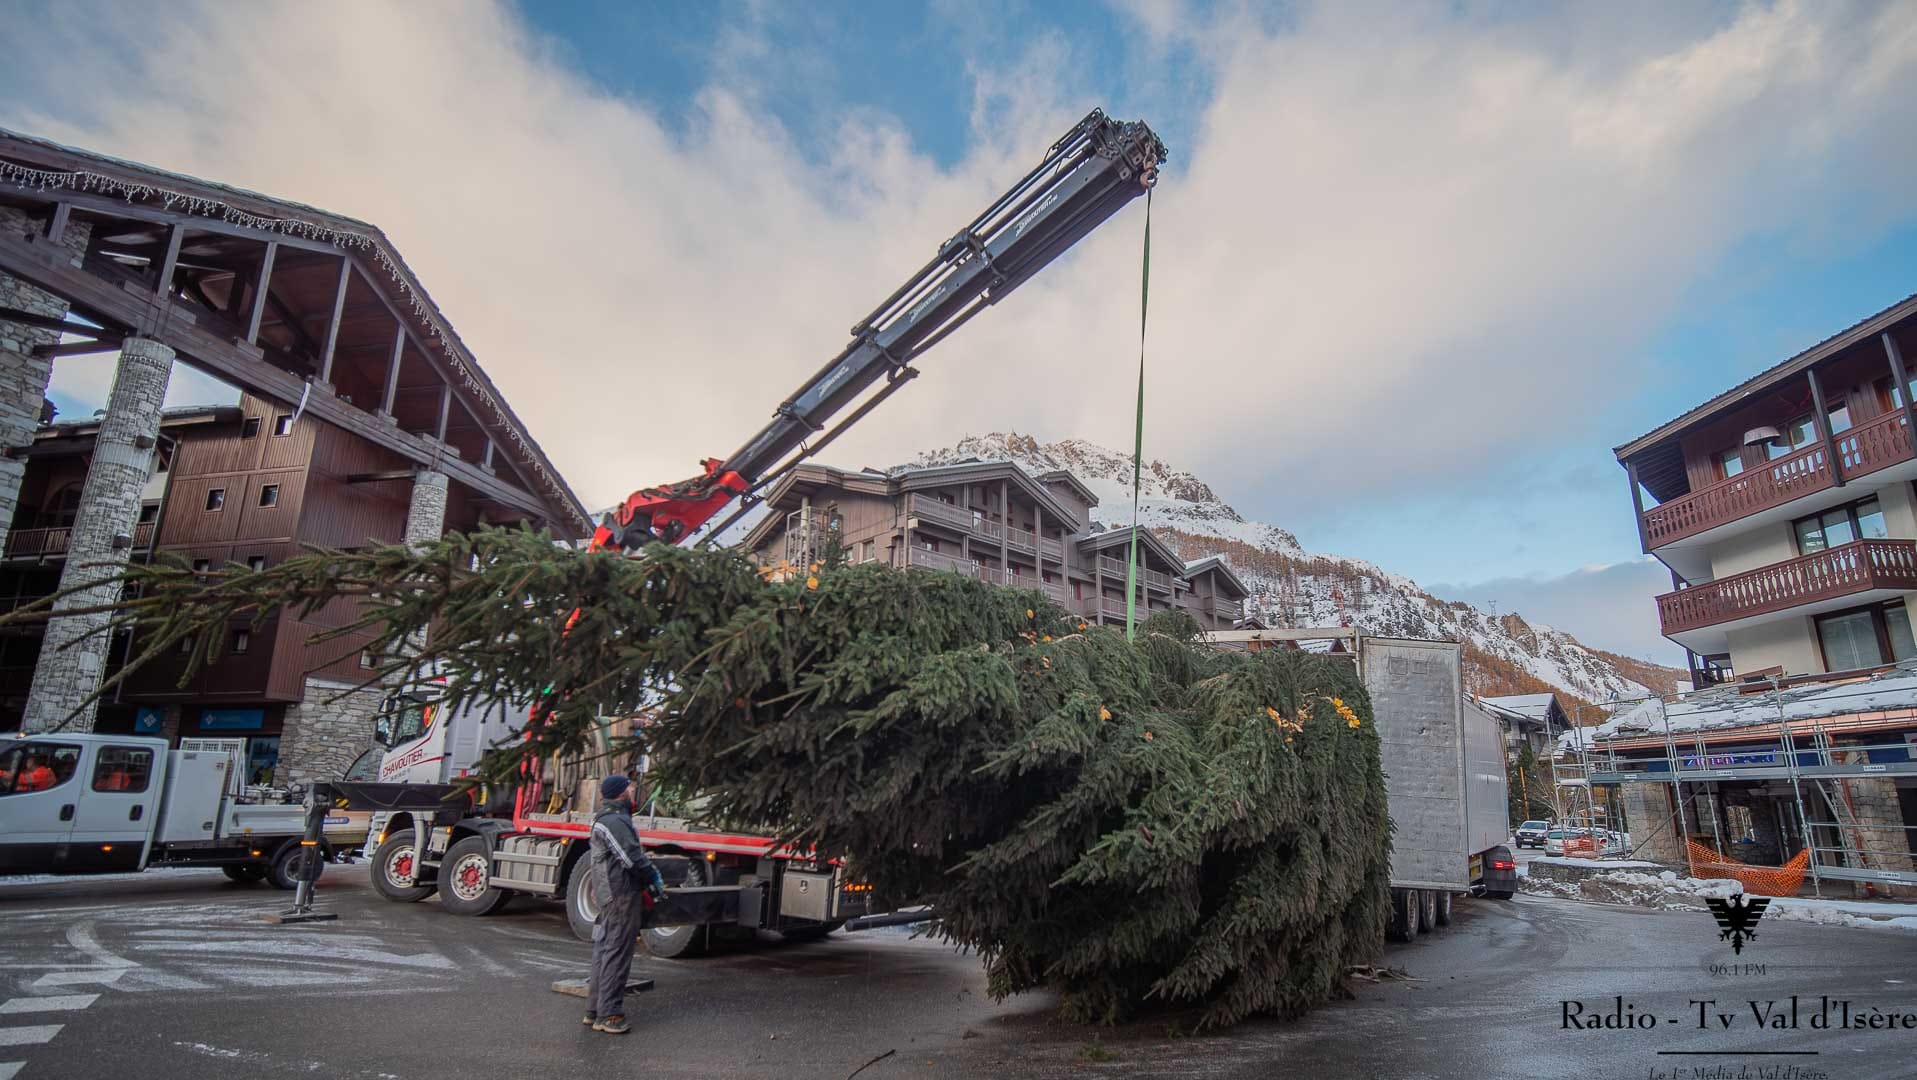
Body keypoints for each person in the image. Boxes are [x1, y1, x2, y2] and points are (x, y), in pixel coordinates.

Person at [583, 773, 666, 1035]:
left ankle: (594, 1010)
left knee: (605, 949)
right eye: (629, 788)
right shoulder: (614, 821)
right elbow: (630, 858)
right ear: (621, 793)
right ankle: (610, 1015)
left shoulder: (607, 818)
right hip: (620, 894)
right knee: (617, 952)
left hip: (609, 892)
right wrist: (652, 877)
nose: (632, 791)